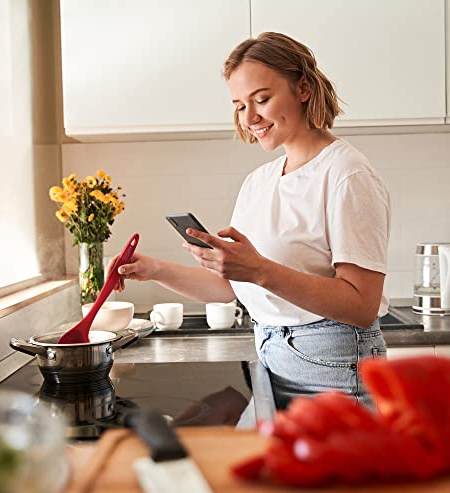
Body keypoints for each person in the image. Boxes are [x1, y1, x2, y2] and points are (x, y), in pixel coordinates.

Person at [109, 32, 390, 413]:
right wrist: (155, 269)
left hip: (335, 365)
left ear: (303, 88)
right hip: (272, 357)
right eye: (240, 105)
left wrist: (258, 270)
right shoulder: (259, 181)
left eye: (262, 99)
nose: (250, 117)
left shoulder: (346, 174)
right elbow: (231, 288)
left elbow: (361, 305)